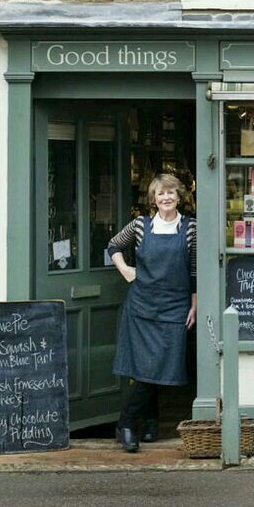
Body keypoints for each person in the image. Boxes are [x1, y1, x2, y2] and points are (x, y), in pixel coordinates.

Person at [107, 172, 197, 452]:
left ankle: (139, 421)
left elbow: (194, 268)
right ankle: (132, 423)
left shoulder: (191, 227)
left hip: (175, 306)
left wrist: (195, 302)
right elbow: (113, 245)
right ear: (153, 199)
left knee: (161, 365)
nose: (166, 197)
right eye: (160, 193)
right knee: (147, 370)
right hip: (141, 307)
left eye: (171, 192)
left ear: (179, 197)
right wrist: (125, 269)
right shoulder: (140, 226)